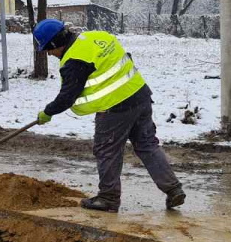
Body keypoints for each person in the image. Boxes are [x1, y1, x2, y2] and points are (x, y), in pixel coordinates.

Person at [33, 19, 185, 212]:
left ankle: (108, 198)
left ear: (55, 43)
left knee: (107, 150)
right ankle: (173, 189)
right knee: (147, 145)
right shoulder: (97, 37)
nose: (49, 54)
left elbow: (67, 97)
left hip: (115, 109)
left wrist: (47, 113)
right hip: (140, 95)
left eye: (48, 49)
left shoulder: (74, 60)